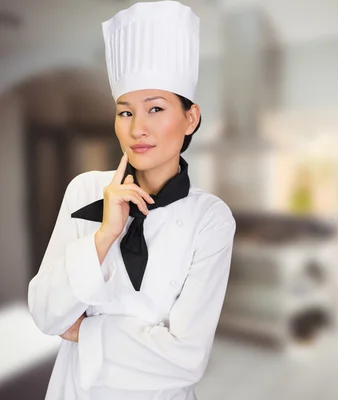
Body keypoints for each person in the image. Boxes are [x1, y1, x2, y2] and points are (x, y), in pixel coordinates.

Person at [27, 2, 236, 399]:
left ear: (190, 118)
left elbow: (187, 358)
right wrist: (104, 235)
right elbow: (44, 313)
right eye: (125, 112)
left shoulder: (210, 219)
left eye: (155, 108)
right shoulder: (85, 190)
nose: (138, 128)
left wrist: (86, 332)